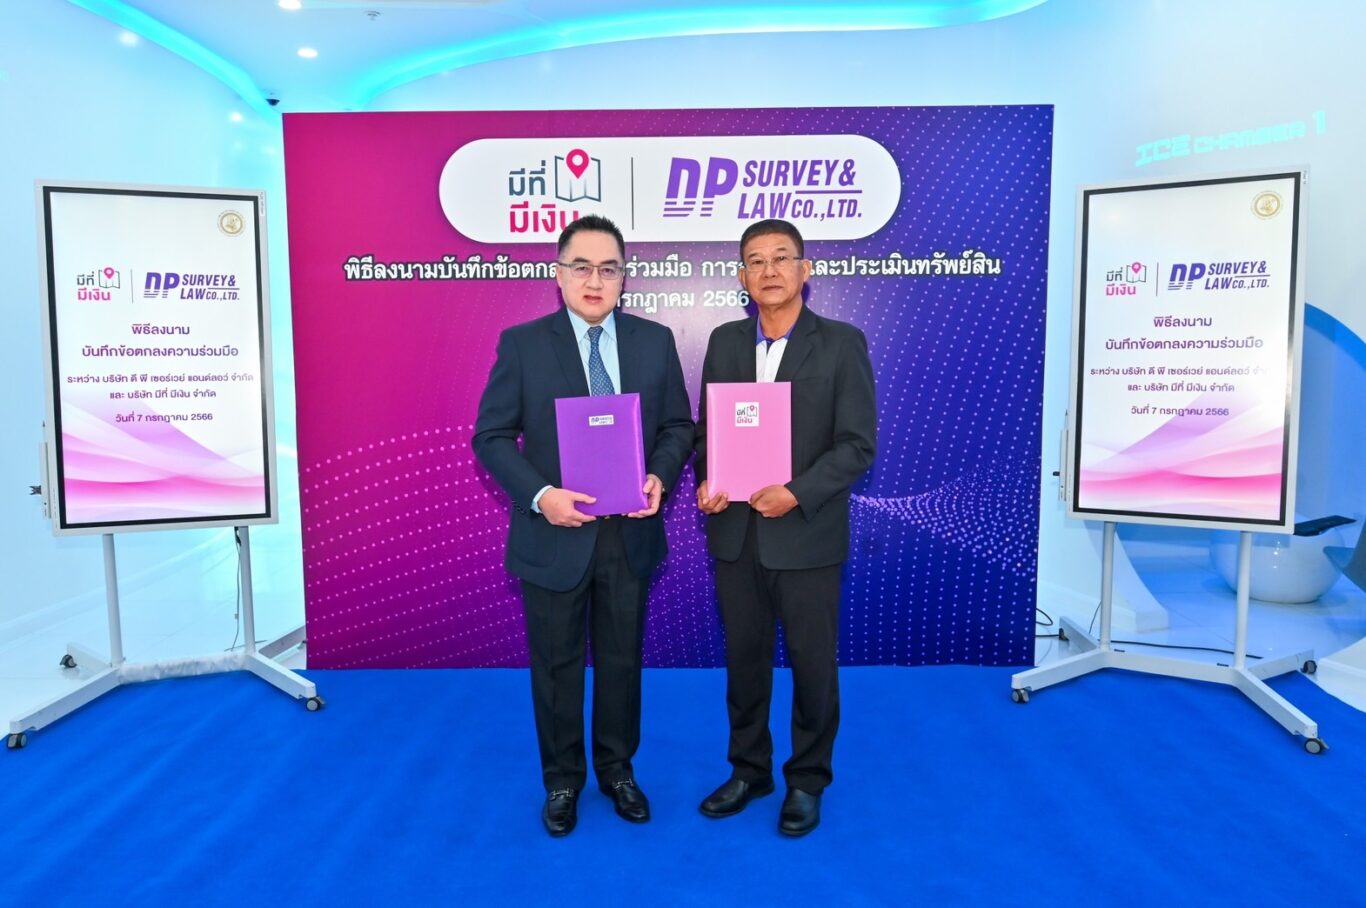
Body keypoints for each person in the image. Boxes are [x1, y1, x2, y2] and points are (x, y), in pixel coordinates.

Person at [472, 214, 694, 837]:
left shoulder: (654, 341)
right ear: (559, 273)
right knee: (556, 666)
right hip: (554, 537)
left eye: (609, 269)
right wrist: (541, 496)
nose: (595, 281)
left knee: (622, 662)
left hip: (628, 535)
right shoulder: (523, 344)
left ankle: (618, 772)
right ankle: (562, 782)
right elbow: (491, 437)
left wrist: (659, 476)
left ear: (625, 277)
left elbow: (678, 426)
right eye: (582, 267)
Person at [693, 218, 877, 837]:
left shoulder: (841, 343)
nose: (769, 270)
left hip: (806, 533)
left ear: (805, 270)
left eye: (781, 258)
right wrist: (708, 480)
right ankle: (750, 770)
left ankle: (807, 779)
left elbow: (856, 446)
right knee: (744, 661)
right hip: (735, 535)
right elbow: (708, 434)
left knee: (811, 664)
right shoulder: (723, 342)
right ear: (741, 276)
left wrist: (795, 493)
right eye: (756, 260)